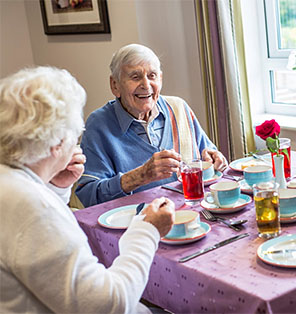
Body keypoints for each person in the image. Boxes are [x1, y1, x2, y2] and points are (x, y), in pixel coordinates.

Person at [0, 66, 175, 313]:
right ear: (57, 144)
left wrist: (57, 188)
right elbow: (109, 305)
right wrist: (146, 231)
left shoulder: (12, 183)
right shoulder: (33, 208)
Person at [76, 43, 227, 207]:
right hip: (137, 226)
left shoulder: (179, 108)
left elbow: (208, 157)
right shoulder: (99, 125)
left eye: (152, 75)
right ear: (115, 85)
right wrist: (140, 176)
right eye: (135, 77)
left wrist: (215, 159)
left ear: (160, 79)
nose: (146, 85)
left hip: (192, 217)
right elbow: (89, 195)